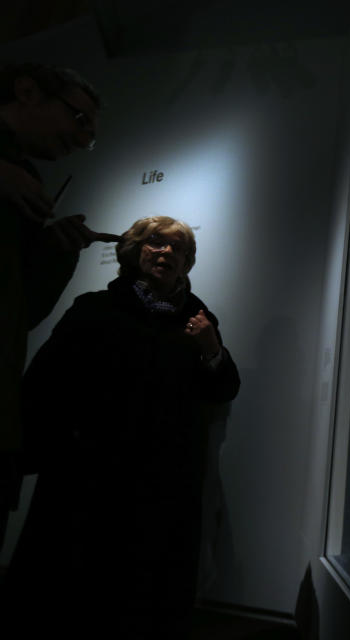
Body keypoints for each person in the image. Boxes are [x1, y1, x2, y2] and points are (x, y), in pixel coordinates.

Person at [1, 216, 240, 638]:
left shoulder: (199, 320)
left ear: (187, 262)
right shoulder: (95, 308)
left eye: (177, 248)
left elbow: (223, 389)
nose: (166, 252)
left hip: (162, 485)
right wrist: (26, 455)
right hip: (86, 476)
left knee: (142, 600)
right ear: (134, 252)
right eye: (155, 243)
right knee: (69, 594)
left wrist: (212, 349)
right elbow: (44, 382)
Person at [0, 63, 115, 549]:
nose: (82, 136)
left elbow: (21, 313)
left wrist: (56, 250)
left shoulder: (23, 179)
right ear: (26, 92)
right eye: (79, 118)